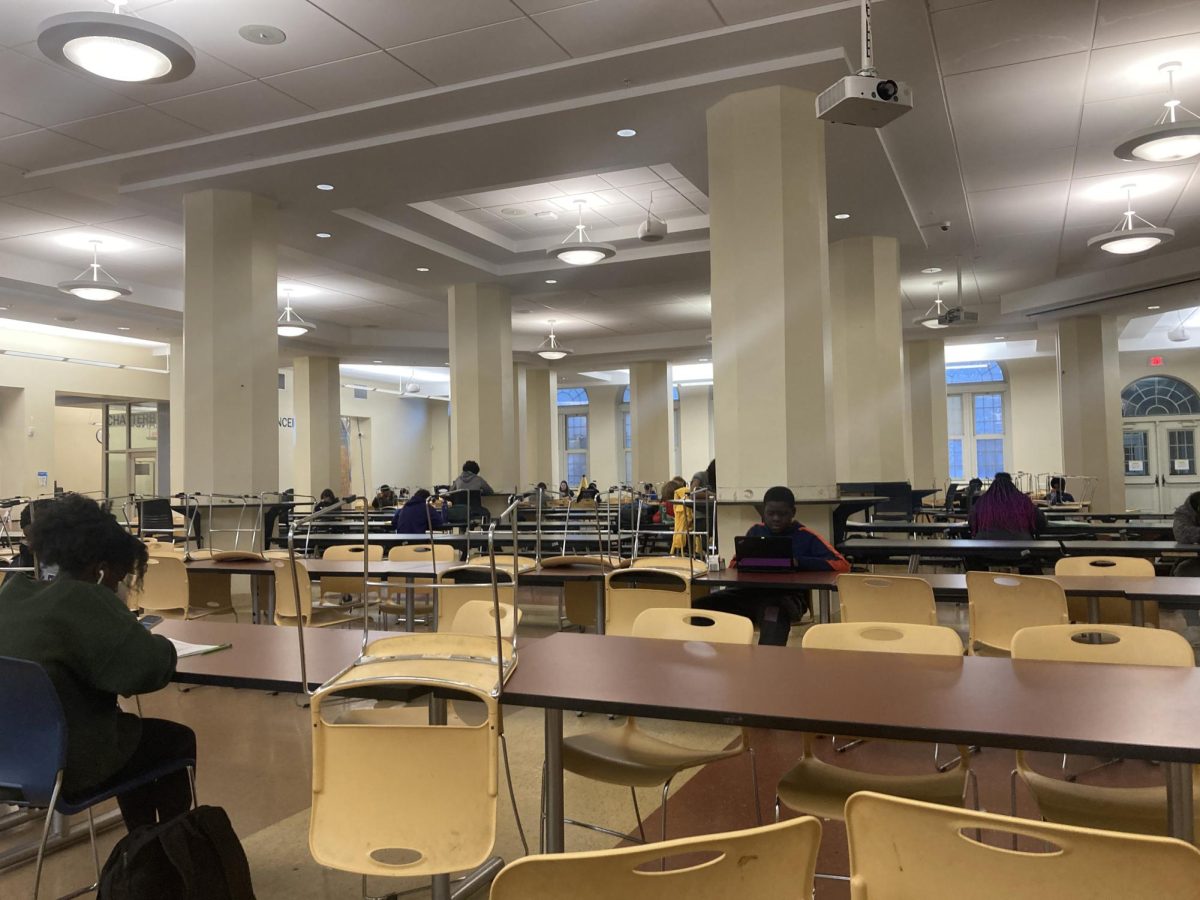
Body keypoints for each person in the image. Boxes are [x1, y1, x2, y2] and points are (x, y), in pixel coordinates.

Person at [0, 494, 194, 829]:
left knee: (132, 737)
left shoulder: (12, 593)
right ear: (101, 570)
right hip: (64, 767)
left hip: (8, 760)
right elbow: (144, 671)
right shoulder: (86, 599)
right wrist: (162, 645)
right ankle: (160, 851)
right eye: (120, 577)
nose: (119, 586)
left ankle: (142, 847)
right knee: (174, 740)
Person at [698, 485, 848, 645]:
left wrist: (799, 562)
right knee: (698, 608)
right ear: (764, 512)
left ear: (793, 513)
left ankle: (768, 666)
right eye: (771, 513)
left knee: (773, 617)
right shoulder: (755, 532)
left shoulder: (806, 536)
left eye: (782, 514)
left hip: (786, 599)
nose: (776, 518)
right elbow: (734, 565)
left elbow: (842, 564)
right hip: (748, 594)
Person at [968, 472, 1047, 539]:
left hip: (985, 551)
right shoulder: (1023, 501)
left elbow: (971, 523)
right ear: (1011, 483)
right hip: (1020, 550)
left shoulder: (982, 501)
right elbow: (1041, 522)